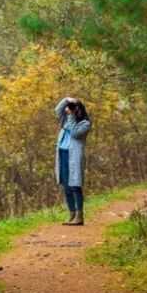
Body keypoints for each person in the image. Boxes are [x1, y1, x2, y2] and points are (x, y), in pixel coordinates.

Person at [54, 95, 91, 225]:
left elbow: (75, 133)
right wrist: (67, 99)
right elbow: (57, 110)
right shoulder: (65, 119)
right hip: (63, 153)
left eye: (73, 108)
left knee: (75, 185)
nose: (69, 110)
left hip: (74, 156)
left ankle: (79, 216)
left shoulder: (85, 123)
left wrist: (71, 116)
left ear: (79, 110)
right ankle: (72, 214)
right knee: (66, 186)